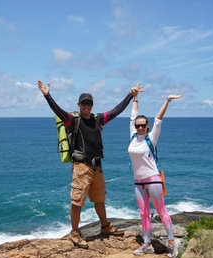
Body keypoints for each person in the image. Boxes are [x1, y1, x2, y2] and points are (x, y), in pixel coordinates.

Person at [38, 80, 144, 249]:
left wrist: (130, 96)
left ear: (92, 105)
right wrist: (47, 96)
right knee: (77, 201)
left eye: (89, 103)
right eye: (84, 104)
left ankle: (105, 227)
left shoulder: (98, 119)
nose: (87, 106)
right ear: (79, 105)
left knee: (99, 199)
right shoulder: (73, 120)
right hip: (81, 167)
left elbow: (116, 111)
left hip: (97, 167)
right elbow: (57, 110)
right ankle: (75, 232)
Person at [128, 90, 183, 258]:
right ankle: (147, 244)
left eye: (143, 125)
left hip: (153, 180)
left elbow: (158, 118)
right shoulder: (132, 137)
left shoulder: (151, 137)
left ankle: (172, 243)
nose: (139, 127)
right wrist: (135, 98)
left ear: (147, 126)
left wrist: (167, 100)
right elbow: (133, 115)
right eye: (137, 125)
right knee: (143, 213)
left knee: (161, 211)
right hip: (138, 182)